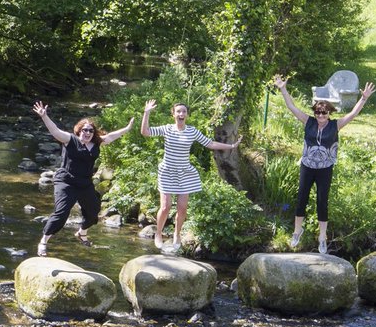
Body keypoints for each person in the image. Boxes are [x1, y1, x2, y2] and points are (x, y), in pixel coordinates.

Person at [272, 75, 375, 254]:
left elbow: (353, 114)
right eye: (318, 112)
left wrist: (364, 98)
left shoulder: (335, 125)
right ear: (315, 113)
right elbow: (291, 107)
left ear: (329, 113)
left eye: (324, 112)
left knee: (322, 202)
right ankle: (297, 232)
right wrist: (283, 89)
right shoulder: (308, 122)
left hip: (325, 169)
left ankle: (322, 238)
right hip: (307, 166)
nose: (320, 115)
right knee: (301, 198)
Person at [33, 102, 135, 256]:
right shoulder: (70, 140)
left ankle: (82, 232)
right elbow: (54, 130)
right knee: (61, 213)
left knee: (94, 211)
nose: (87, 133)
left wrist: (127, 129)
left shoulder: (96, 143)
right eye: (84, 130)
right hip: (66, 181)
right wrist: (44, 116)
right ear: (79, 131)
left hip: (84, 183)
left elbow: (111, 136)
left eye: (91, 131)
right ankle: (44, 241)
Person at [139, 99, 240, 254]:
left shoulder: (192, 131)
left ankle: (177, 234)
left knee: (182, 207)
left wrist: (231, 146)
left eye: (184, 111)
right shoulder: (167, 129)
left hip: (184, 172)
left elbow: (210, 144)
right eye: (178, 111)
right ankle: (158, 233)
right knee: (165, 206)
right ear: (173, 114)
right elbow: (145, 132)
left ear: (187, 115)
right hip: (167, 172)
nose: (181, 114)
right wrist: (146, 113)